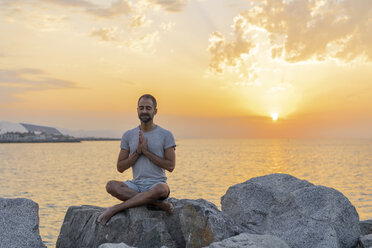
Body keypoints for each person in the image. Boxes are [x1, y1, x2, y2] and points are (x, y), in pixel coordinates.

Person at [97, 94, 176, 225]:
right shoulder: (128, 135)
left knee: (161, 189)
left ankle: (115, 208)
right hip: (136, 185)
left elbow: (171, 166)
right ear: (137, 110)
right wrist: (137, 154)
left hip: (156, 184)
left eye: (148, 108)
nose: (144, 111)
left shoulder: (166, 135)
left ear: (155, 111)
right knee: (111, 186)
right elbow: (120, 167)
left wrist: (147, 152)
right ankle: (158, 205)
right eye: (141, 108)